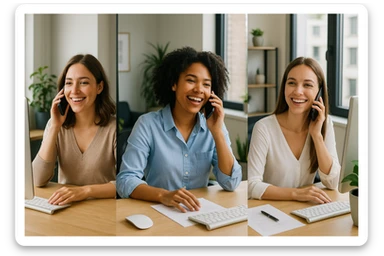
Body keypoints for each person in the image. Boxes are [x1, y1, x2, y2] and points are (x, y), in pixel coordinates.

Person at [116, 46, 242, 212]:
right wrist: (163, 195)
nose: (199, 89)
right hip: (159, 213)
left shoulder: (215, 126)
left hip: (198, 214)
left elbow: (231, 182)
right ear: (174, 84)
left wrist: (217, 133)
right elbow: (126, 180)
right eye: (191, 80)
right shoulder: (147, 124)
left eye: (206, 84)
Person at [247, 56, 340, 203]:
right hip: (269, 212)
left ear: (319, 92)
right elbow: (251, 185)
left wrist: (316, 136)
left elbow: (333, 182)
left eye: (307, 85)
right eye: (291, 83)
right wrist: (296, 194)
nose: (298, 91)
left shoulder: (325, 124)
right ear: (284, 87)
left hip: (304, 212)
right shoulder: (264, 128)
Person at [32, 54, 117, 205]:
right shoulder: (56, 126)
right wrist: (54, 127)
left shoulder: (113, 129)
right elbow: (37, 179)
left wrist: (85, 191)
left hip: (105, 212)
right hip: (66, 210)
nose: (75, 90)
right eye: (69, 83)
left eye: (83, 82)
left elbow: (128, 183)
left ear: (99, 87)